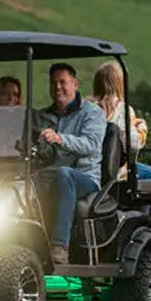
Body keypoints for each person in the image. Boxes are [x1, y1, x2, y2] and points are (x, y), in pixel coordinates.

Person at [31, 62, 106, 265]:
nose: (58, 87)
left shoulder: (92, 113)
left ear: (74, 84)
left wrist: (60, 138)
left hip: (85, 177)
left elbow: (91, 144)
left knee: (64, 174)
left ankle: (59, 247)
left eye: (62, 82)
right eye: (53, 83)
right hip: (52, 175)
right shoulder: (43, 117)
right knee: (28, 182)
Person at [91, 61, 151, 182]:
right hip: (117, 174)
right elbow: (133, 145)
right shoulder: (123, 110)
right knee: (148, 173)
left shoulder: (88, 109)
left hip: (91, 170)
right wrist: (141, 128)